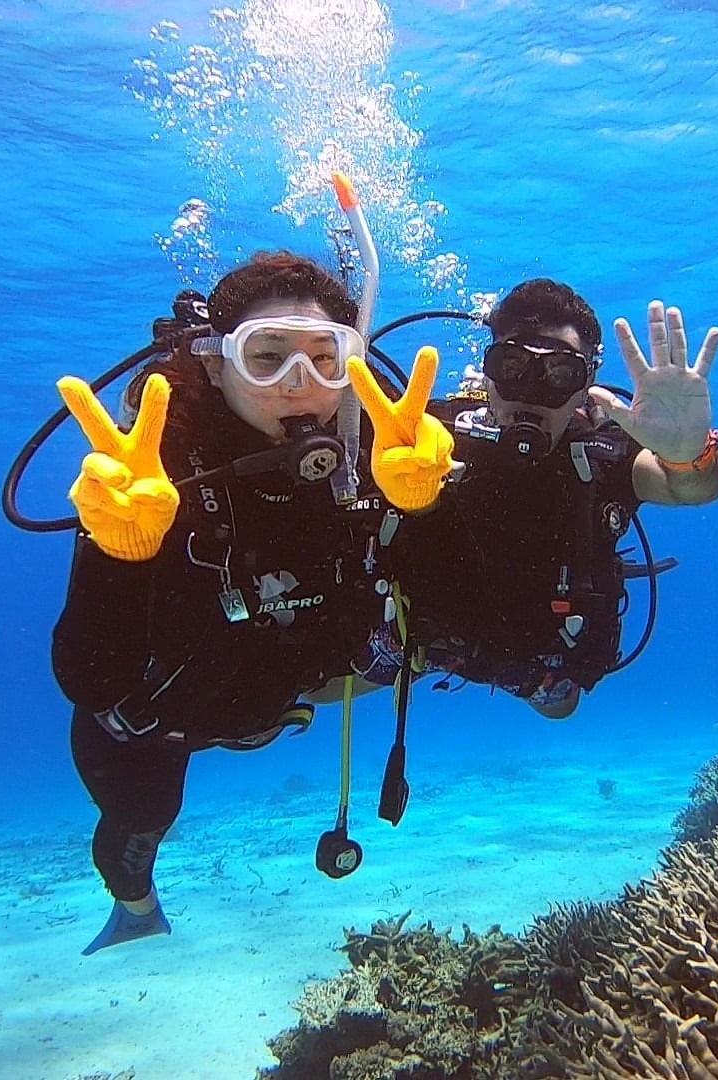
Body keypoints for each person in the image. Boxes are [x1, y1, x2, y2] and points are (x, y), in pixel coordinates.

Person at [50, 252, 452, 954]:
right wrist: (118, 559)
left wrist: (422, 511)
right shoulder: (156, 472)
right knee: (141, 821)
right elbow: (87, 681)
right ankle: (139, 914)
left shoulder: (374, 454)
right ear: (215, 364)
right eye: (268, 357)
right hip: (155, 719)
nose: (302, 385)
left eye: (327, 360)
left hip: (287, 690)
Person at [370, 279, 718, 717]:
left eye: (561, 374)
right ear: (487, 373)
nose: (533, 392)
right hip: (431, 637)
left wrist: (690, 455)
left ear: (586, 386)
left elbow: (687, 486)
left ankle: (534, 683)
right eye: (512, 365)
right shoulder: (432, 437)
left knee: (561, 706)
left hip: (544, 657)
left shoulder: (604, 454)